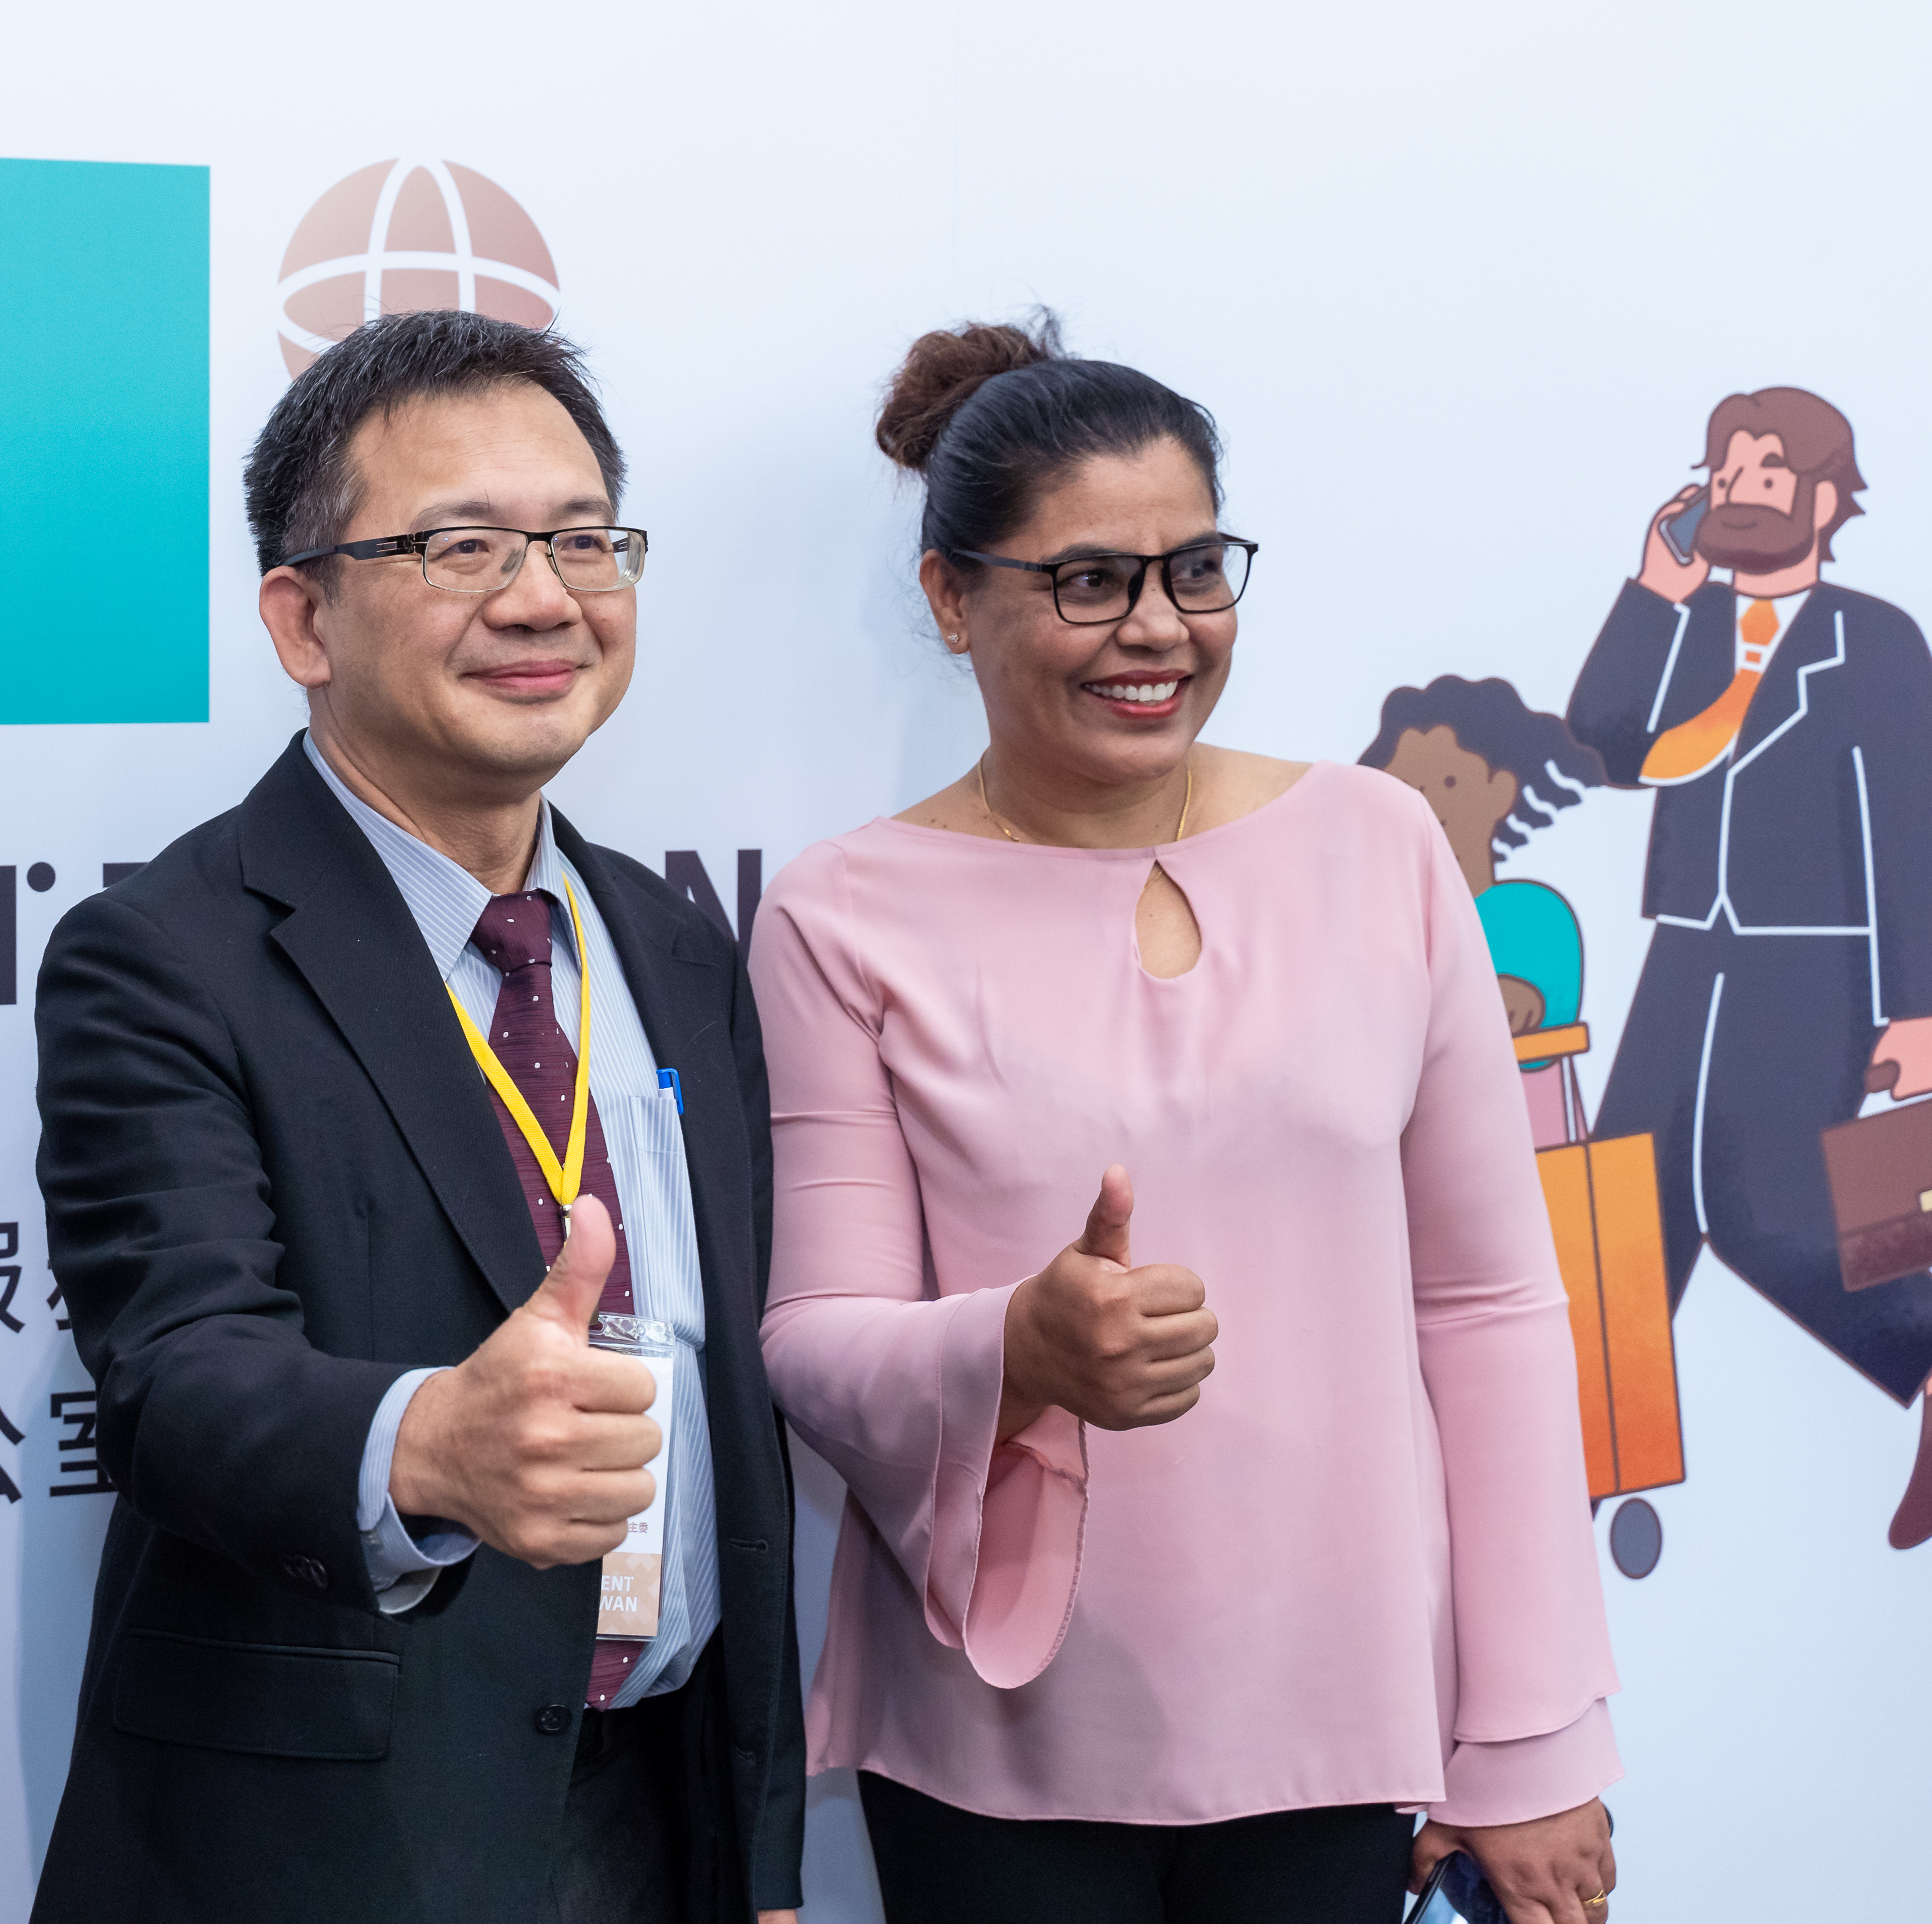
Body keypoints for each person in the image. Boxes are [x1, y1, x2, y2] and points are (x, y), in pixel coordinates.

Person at [751, 317, 1621, 1924]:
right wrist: (1015, 1344)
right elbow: (813, 1338)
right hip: (992, 1738)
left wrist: (1527, 1737)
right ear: (950, 597)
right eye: (1087, 579)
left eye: (1194, 569)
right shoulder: (840, 911)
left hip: (1340, 1718)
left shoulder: (1377, 844)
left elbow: (1488, 1304)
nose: (1154, 626)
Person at [28, 309, 804, 1923]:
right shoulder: (164, 953)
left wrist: (763, 1854)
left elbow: (734, 1428)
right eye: (461, 546)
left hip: (654, 1815)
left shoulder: (672, 949)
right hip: (330, 1844)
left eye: (581, 539)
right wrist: (427, 1443)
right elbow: (177, 1374)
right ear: (301, 618)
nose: (541, 597)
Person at [1564, 386, 1932, 1548]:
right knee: (1621, 1207)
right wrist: (1653, 590)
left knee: (1783, 1217)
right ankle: (1565, 1476)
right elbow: (1601, 741)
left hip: (1812, 969)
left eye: (1770, 470)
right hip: (1686, 950)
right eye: (1726, 468)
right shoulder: (1688, 626)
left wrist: (1916, 1007)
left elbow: (1907, 827)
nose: (1740, 488)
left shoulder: (1873, 639)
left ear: (1825, 500)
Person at [1357, 678, 1610, 1147]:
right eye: (1410, 791)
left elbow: (1539, 1010)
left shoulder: (1534, 914)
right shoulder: (1372, 928)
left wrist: (1519, 999)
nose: (1433, 809)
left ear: (1500, 792)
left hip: (1526, 1150)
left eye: (1450, 784)